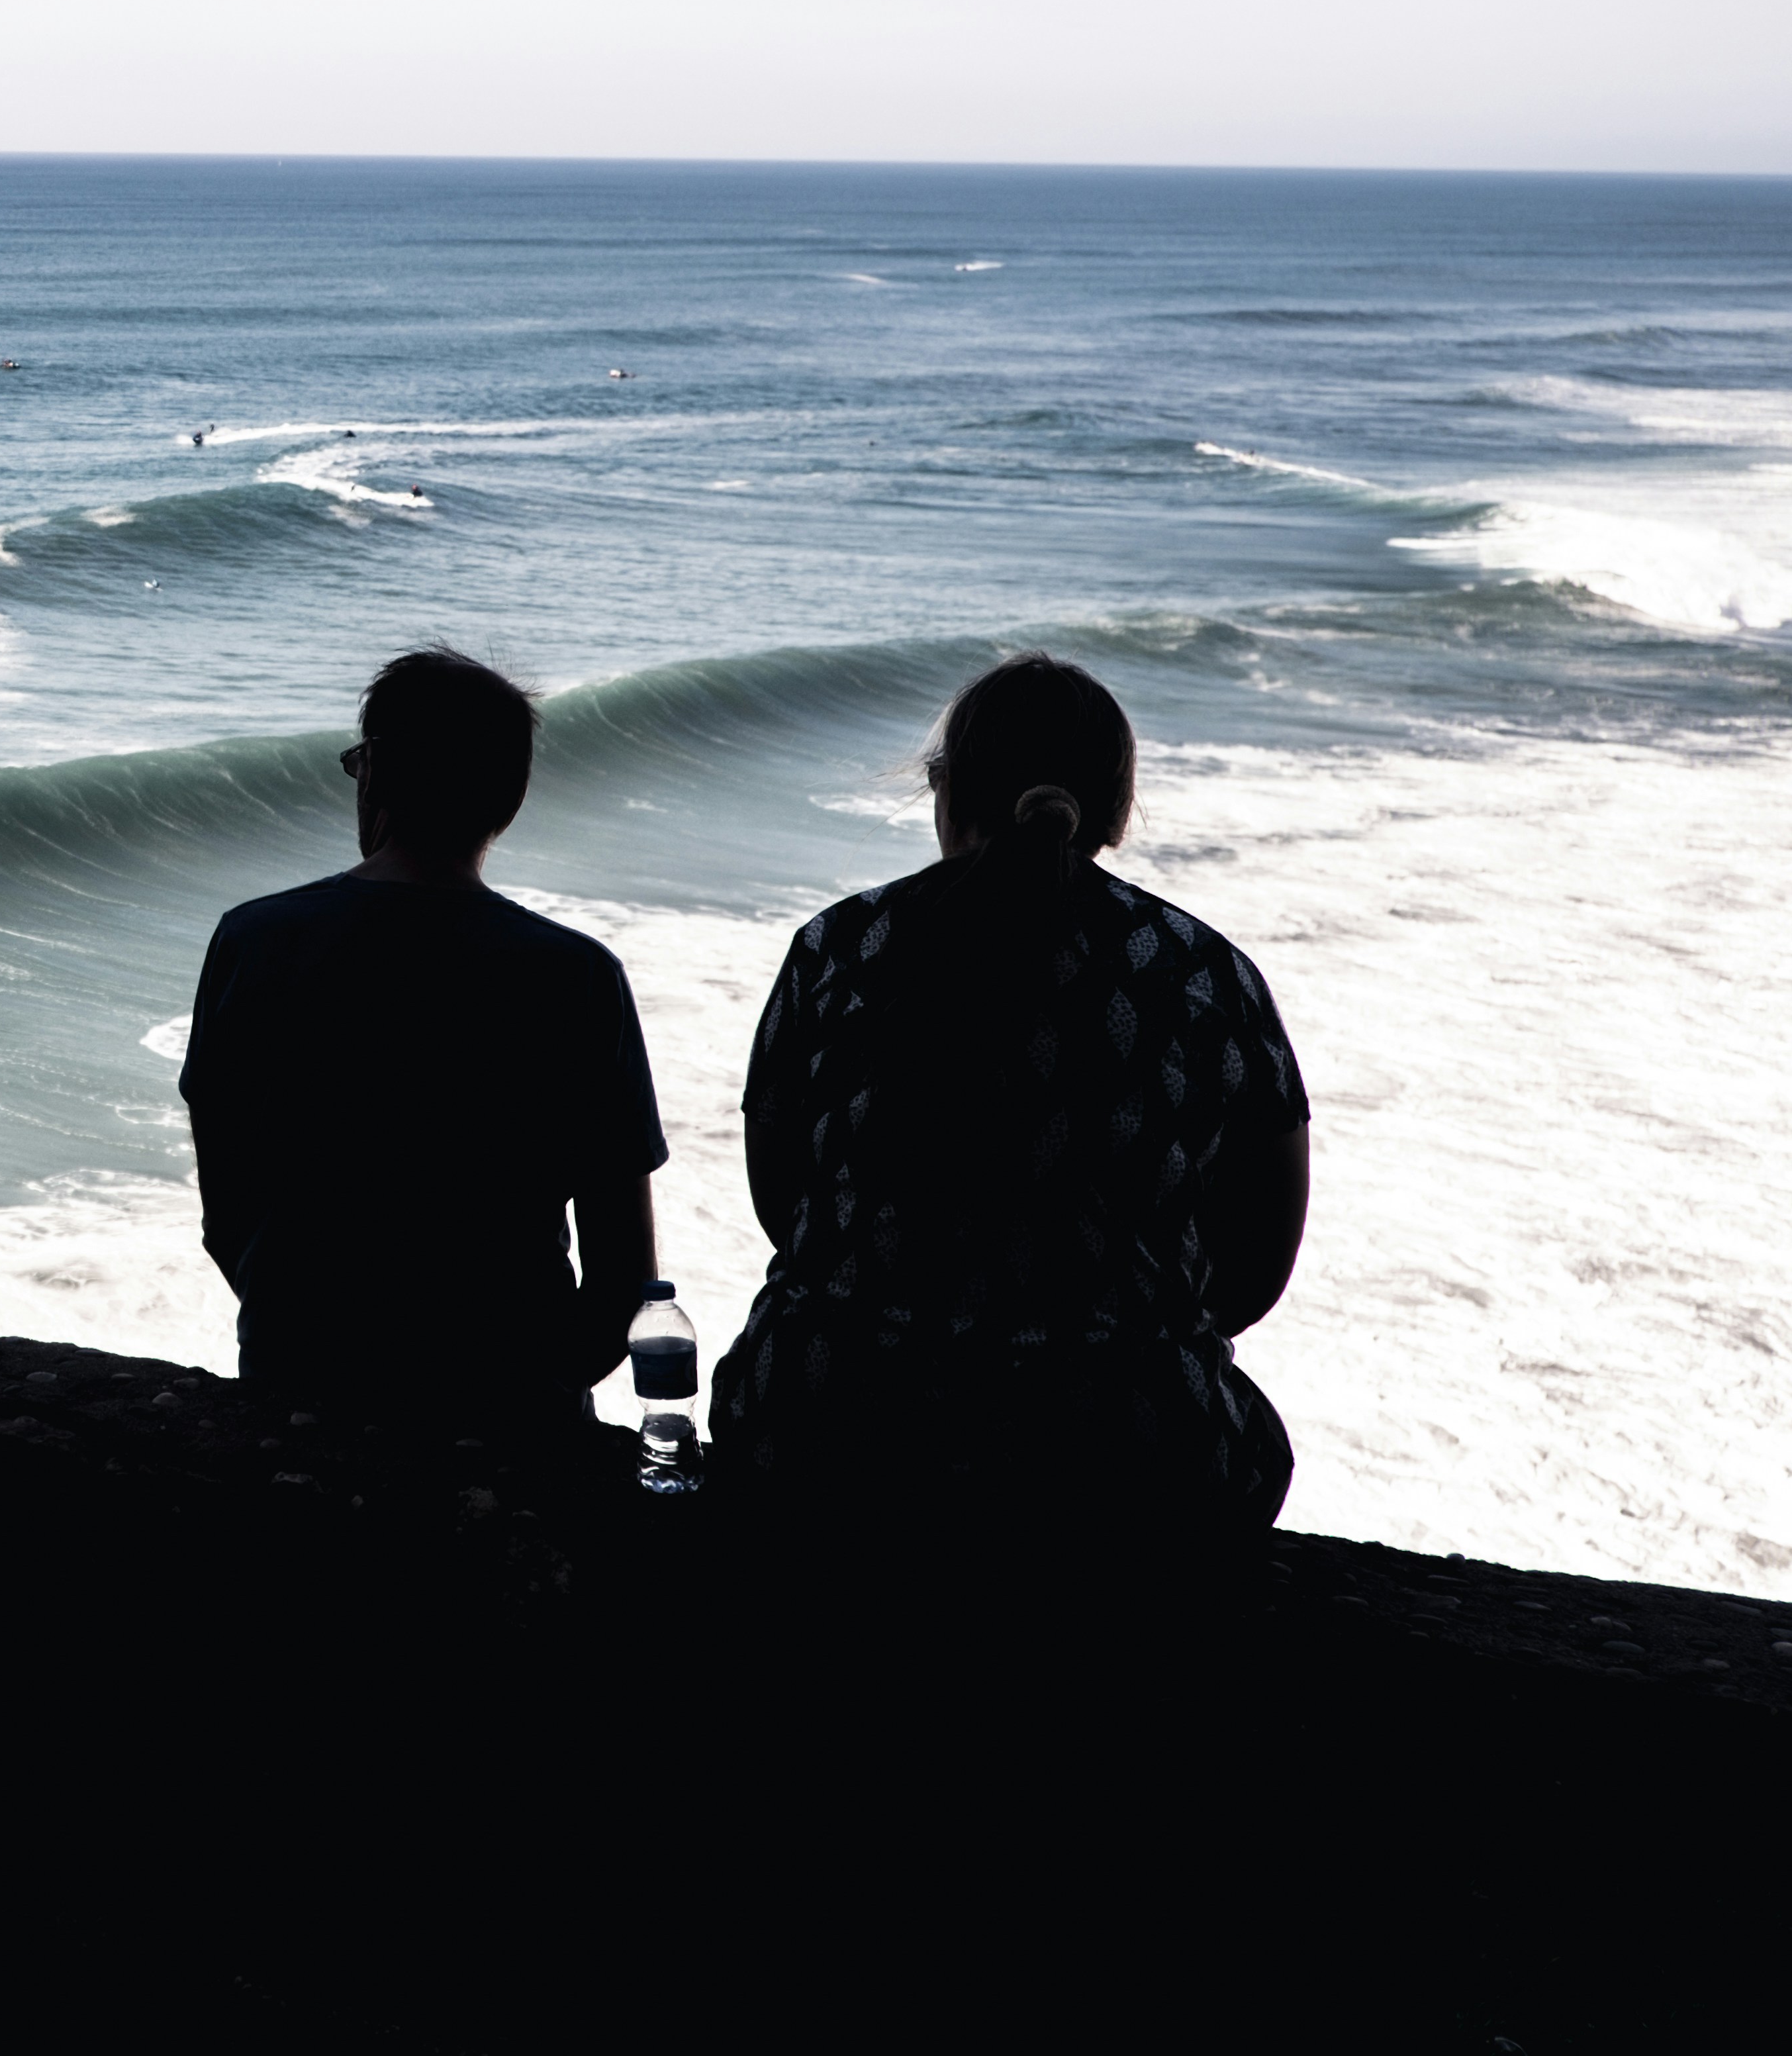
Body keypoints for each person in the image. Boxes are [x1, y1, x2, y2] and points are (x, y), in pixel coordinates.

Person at [708, 652, 1309, 1532]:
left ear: (945, 789)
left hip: (819, 1418)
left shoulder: (839, 948)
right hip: (1126, 1448)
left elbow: (783, 1202)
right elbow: (1257, 1266)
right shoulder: (1202, 972)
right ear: (1115, 809)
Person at [179, 648, 662, 1444]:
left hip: (299, 1387)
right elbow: (623, 1287)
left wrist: (311, 1334)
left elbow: (228, 1212)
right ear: (508, 797)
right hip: (511, 1404)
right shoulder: (575, 976)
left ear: (374, 774)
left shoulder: (254, 940)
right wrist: (526, 1384)